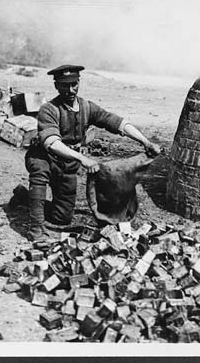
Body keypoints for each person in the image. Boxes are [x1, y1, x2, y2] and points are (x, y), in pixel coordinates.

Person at [24, 65, 161, 241]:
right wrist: (83, 159)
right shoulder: (48, 109)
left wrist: (145, 141)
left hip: (67, 164)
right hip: (44, 156)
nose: (71, 90)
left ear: (79, 82)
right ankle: (35, 230)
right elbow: (52, 144)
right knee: (39, 173)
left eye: (74, 84)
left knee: (62, 217)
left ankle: (25, 198)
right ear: (56, 86)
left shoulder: (87, 107)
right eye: (65, 85)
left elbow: (117, 123)